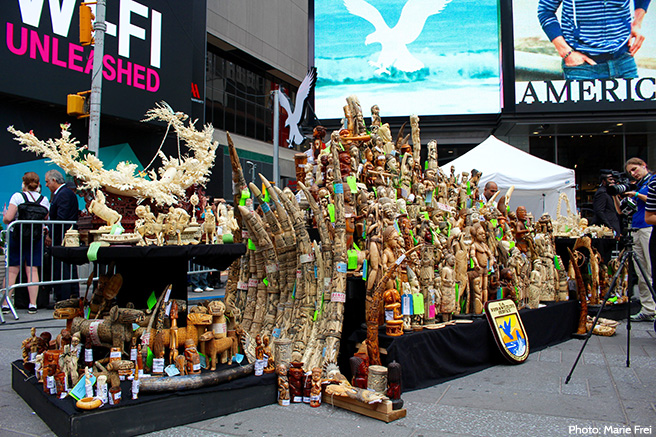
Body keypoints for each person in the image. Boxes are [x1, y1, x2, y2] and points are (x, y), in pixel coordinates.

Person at [538, 0, 650, 80]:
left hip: (623, 60)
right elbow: (545, 11)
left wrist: (637, 23)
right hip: (582, 68)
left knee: (631, 113)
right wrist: (566, 52)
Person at [2, 172, 50, 314]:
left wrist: (5, 216)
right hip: (35, 238)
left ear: (24, 183)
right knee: (32, 269)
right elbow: (46, 217)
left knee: (12, 270)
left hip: (17, 236)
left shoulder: (17, 197)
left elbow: (9, 218)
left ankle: (6, 303)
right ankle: (33, 304)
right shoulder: (44, 199)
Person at [623, 157, 655, 322]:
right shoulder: (640, 184)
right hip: (636, 227)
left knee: (650, 270)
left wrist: (635, 193)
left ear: (644, 165)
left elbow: (652, 199)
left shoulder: (652, 181)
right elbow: (624, 210)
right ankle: (648, 308)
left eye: (635, 169)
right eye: (630, 172)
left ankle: (651, 308)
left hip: (647, 227)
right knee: (641, 272)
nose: (633, 174)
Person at [44, 169, 80, 301]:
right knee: (66, 267)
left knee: (63, 268)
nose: (46, 185)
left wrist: (52, 235)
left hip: (63, 238)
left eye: (47, 182)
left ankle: (64, 297)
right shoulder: (64, 193)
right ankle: (70, 294)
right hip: (64, 236)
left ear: (54, 180)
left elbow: (61, 218)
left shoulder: (63, 194)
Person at [592, 171, 622, 237]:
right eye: (610, 179)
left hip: (613, 222)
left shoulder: (611, 192)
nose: (613, 181)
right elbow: (599, 211)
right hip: (608, 226)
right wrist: (609, 226)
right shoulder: (602, 192)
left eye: (614, 179)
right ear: (604, 181)